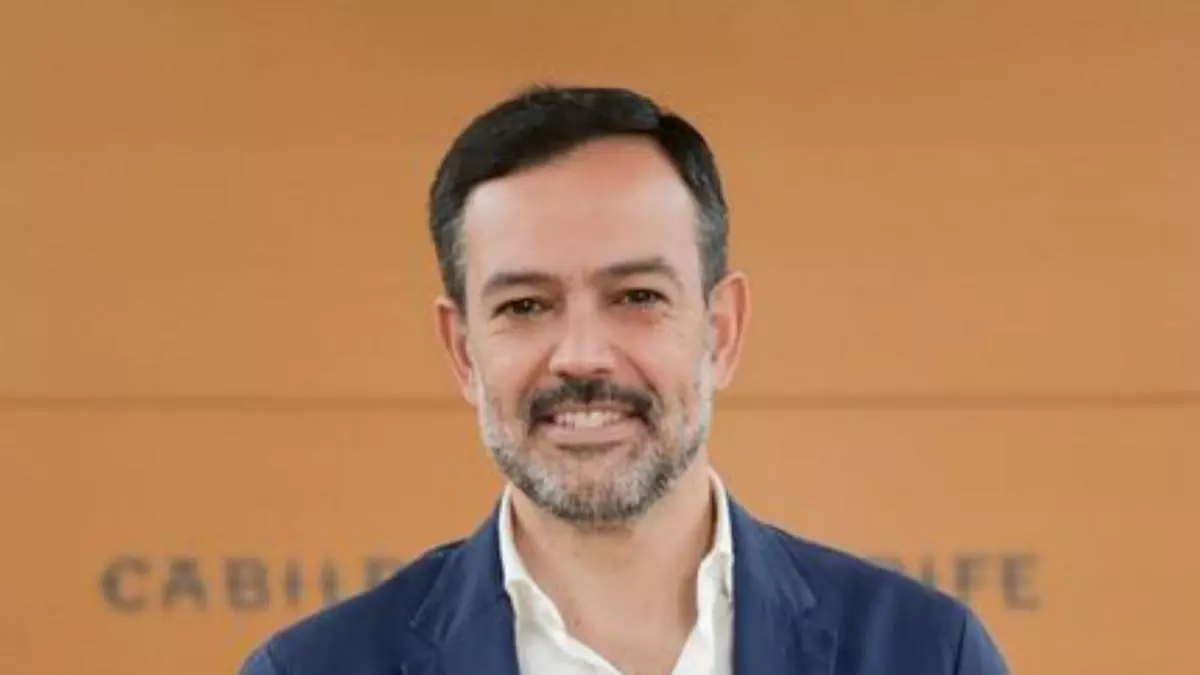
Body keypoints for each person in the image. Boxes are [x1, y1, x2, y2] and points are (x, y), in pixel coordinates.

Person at [239, 84, 1009, 675]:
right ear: (464, 351)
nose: (582, 355)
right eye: (525, 305)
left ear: (722, 329)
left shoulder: (925, 653)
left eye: (636, 296)